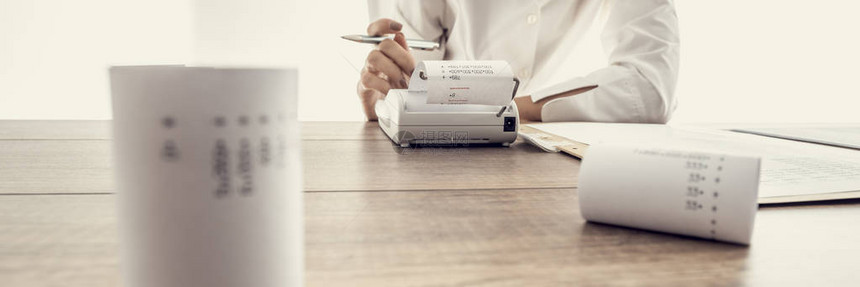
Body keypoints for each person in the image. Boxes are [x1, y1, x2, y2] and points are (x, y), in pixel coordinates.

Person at [357, 0, 679, 123]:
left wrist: (507, 113)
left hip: (558, 170)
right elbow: (408, 88)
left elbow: (651, 87)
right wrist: (388, 99)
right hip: (444, 170)